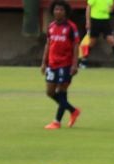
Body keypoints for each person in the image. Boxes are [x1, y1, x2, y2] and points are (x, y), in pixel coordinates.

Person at [40, 0, 81, 130]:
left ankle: (56, 121)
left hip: (66, 65)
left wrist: (75, 64)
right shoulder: (51, 26)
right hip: (52, 64)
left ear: (66, 12)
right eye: (56, 9)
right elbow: (48, 44)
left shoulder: (71, 27)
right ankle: (73, 110)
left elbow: (76, 45)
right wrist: (43, 62)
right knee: (50, 92)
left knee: (62, 92)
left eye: (61, 10)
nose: (58, 11)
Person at [84, 0, 114, 67]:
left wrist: (110, 9)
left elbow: (111, 10)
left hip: (105, 21)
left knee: (112, 40)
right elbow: (88, 8)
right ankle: (83, 60)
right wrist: (88, 21)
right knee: (92, 42)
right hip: (95, 20)